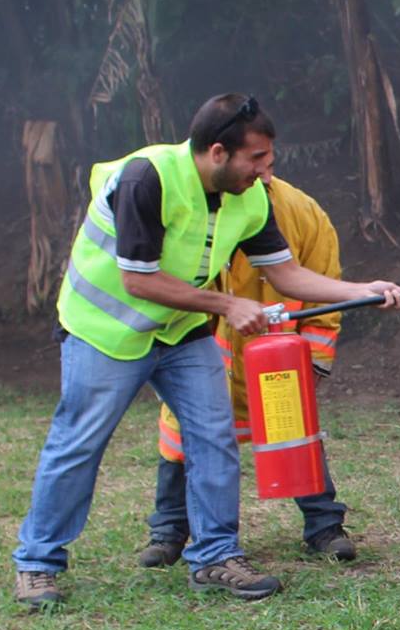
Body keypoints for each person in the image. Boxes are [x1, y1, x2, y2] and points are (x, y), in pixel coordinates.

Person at [12, 93, 400, 610]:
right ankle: (37, 564)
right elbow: (139, 281)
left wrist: (366, 290)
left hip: (180, 332)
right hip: (105, 333)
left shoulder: (251, 198)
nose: (267, 172)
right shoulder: (147, 179)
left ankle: (215, 556)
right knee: (78, 445)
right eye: (258, 160)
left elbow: (287, 274)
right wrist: (227, 304)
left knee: (213, 437)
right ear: (219, 152)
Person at [144, 170, 358, 565]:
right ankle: (169, 530)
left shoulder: (303, 212)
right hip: (203, 352)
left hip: (279, 358)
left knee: (295, 434)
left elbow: (324, 288)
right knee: (181, 437)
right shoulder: (196, 209)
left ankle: (325, 526)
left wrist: (313, 362)